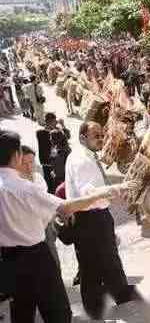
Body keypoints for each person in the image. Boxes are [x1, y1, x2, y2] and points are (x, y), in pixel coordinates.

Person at [0, 130, 131, 323]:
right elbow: (64, 208)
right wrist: (100, 195)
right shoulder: (24, 188)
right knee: (58, 313)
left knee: (22, 310)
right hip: (35, 256)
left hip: (9, 259)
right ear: (16, 155)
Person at [65, 121, 141, 319]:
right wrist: (118, 188)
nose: (101, 139)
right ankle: (95, 308)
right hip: (90, 219)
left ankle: (121, 294)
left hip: (95, 218)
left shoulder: (86, 156)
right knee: (92, 267)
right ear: (82, 138)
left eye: (101, 135)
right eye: (95, 136)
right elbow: (88, 193)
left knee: (108, 260)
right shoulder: (81, 160)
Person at [37, 113, 69, 193]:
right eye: (54, 121)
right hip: (47, 163)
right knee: (50, 185)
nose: (56, 123)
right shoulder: (41, 133)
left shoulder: (55, 132)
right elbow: (60, 137)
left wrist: (63, 127)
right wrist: (60, 129)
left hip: (56, 164)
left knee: (58, 185)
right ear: (49, 122)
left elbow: (67, 137)